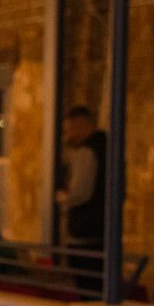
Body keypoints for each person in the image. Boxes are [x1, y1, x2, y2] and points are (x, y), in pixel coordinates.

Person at [56, 105, 107, 295]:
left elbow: (80, 193)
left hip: (86, 236)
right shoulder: (105, 147)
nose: (68, 137)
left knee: (88, 291)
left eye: (69, 130)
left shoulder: (88, 151)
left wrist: (63, 198)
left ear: (81, 125)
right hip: (98, 234)